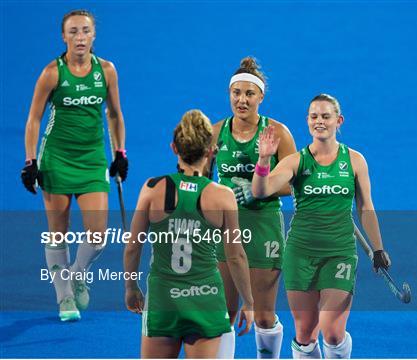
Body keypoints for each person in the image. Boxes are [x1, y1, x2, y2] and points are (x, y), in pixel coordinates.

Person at [252, 94, 391, 359]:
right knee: (305, 334)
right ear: (307, 121)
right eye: (314, 116)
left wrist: (378, 248)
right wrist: (264, 160)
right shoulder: (296, 161)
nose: (319, 121)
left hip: (339, 253)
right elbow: (262, 190)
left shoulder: (354, 161)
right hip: (300, 254)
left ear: (338, 121)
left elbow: (365, 208)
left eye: (326, 116)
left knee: (333, 332)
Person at [21, 9, 128, 321]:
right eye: (73, 32)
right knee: (59, 232)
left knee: (98, 234)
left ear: (94, 35)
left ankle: (76, 273)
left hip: (92, 159)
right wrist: (30, 161)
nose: (80, 37)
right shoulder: (52, 73)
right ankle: (64, 298)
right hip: (56, 159)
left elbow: (114, 113)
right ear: (63, 36)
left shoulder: (106, 71)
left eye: (85, 31)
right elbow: (34, 119)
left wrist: (120, 152)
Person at [123, 109, 254, 358]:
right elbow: (235, 255)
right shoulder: (223, 196)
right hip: (206, 299)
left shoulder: (151, 189)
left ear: (174, 147)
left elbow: (132, 246)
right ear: (210, 151)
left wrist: (131, 288)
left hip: (163, 299)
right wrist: (249, 302)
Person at [212, 57, 296, 358]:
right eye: (236, 93)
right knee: (225, 312)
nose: (242, 100)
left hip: (264, 226)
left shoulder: (277, 132)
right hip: (226, 227)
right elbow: (200, 177)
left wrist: (259, 190)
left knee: (262, 313)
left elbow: (295, 183)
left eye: (249, 94)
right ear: (228, 94)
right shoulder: (216, 132)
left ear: (261, 97)